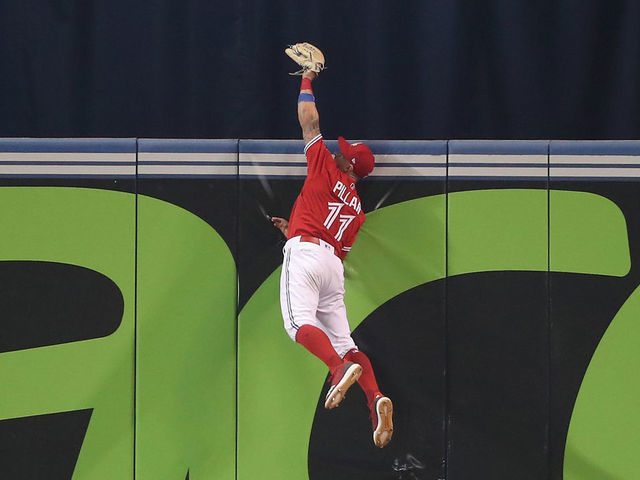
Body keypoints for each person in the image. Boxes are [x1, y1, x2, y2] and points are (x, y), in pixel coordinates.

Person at [272, 68, 393, 448]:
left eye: (345, 152)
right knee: (344, 340)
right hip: (331, 266)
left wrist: (306, 79)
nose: (339, 151)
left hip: (307, 254)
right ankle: (376, 399)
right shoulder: (357, 210)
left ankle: (338, 368)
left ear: (346, 166)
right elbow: (335, 246)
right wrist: (293, 230)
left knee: (298, 326)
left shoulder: (325, 164)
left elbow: (309, 120)